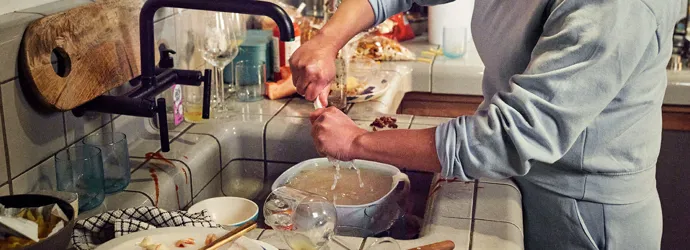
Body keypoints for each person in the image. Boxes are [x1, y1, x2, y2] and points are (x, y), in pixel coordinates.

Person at [290, 0, 686, 249]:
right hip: (516, 185)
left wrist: (356, 142)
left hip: (583, 218)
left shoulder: (617, 8)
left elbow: (511, 137)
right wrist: (327, 39)